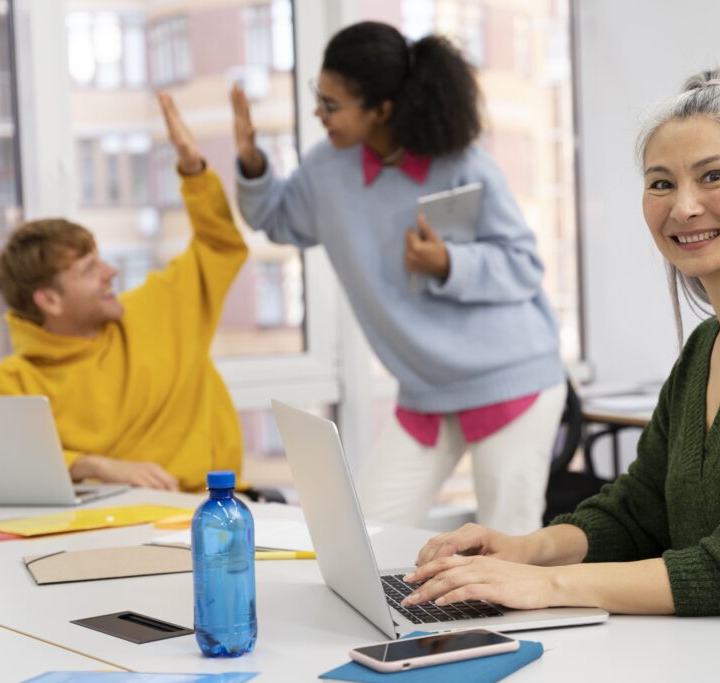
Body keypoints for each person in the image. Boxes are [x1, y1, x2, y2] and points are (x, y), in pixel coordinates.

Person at [400, 66, 720, 633]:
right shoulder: (706, 346)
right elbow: (640, 509)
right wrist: (526, 550)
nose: (684, 207)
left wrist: (546, 585)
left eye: (713, 176)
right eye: (661, 183)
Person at [229, 21, 566, 534]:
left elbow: (523, 265)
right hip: (427, 390)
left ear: (382, 109)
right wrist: (252, 162)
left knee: (507, 548)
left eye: (332, 104)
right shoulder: (326, 169)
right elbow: (277, 218)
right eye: (317, 97)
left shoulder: (461, 163)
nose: (318, 114)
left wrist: (448, 264)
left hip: (510, 380)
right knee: (358, 536)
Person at [0, 94, 249, 493]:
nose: (110, 272)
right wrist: (92, 465)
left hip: (207, 511)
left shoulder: (158, 308)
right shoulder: (13, 385)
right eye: (89, 270)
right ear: (49, 300)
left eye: (101, 260)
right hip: (105, 527)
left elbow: (220, 247)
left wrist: (192, 170)